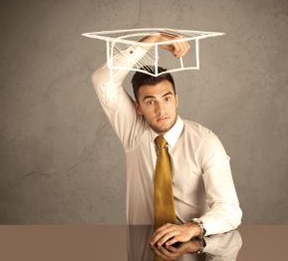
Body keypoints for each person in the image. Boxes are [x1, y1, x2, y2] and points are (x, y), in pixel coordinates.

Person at [91, 32, 242, 248]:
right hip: (143, 249)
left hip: (192, 249)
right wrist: (151, 41)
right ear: (138, 108)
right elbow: (102, 80)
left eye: (167, 98)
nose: (161, 110)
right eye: (150, 102)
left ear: (176, 99)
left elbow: (230, 209)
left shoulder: (205, 142)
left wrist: (191, 228)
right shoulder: (133, 131)